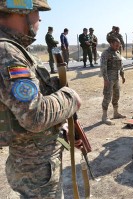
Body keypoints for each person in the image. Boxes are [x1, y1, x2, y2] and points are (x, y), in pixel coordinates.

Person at [0, 0, 82, 198]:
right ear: (21, 11)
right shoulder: (7, 52)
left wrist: (59, 126)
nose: (40, 19)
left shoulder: (16, 49)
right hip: (35, 168)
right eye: (37, 12)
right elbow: (35, 115)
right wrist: (70, 98)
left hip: (35, 163)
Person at [100, 37, 126, 125]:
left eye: (118, 46)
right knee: (107, 96)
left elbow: (121, 65)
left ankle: (116, 113)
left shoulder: (117, 52)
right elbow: (103, 67)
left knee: (116, 95)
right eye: (116, 45)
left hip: (116, 78)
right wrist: (105, 79)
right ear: (111, 44)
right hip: (109, 78)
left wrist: (122, 75)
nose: (117, 47)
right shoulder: (106, 53)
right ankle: (104, 116)